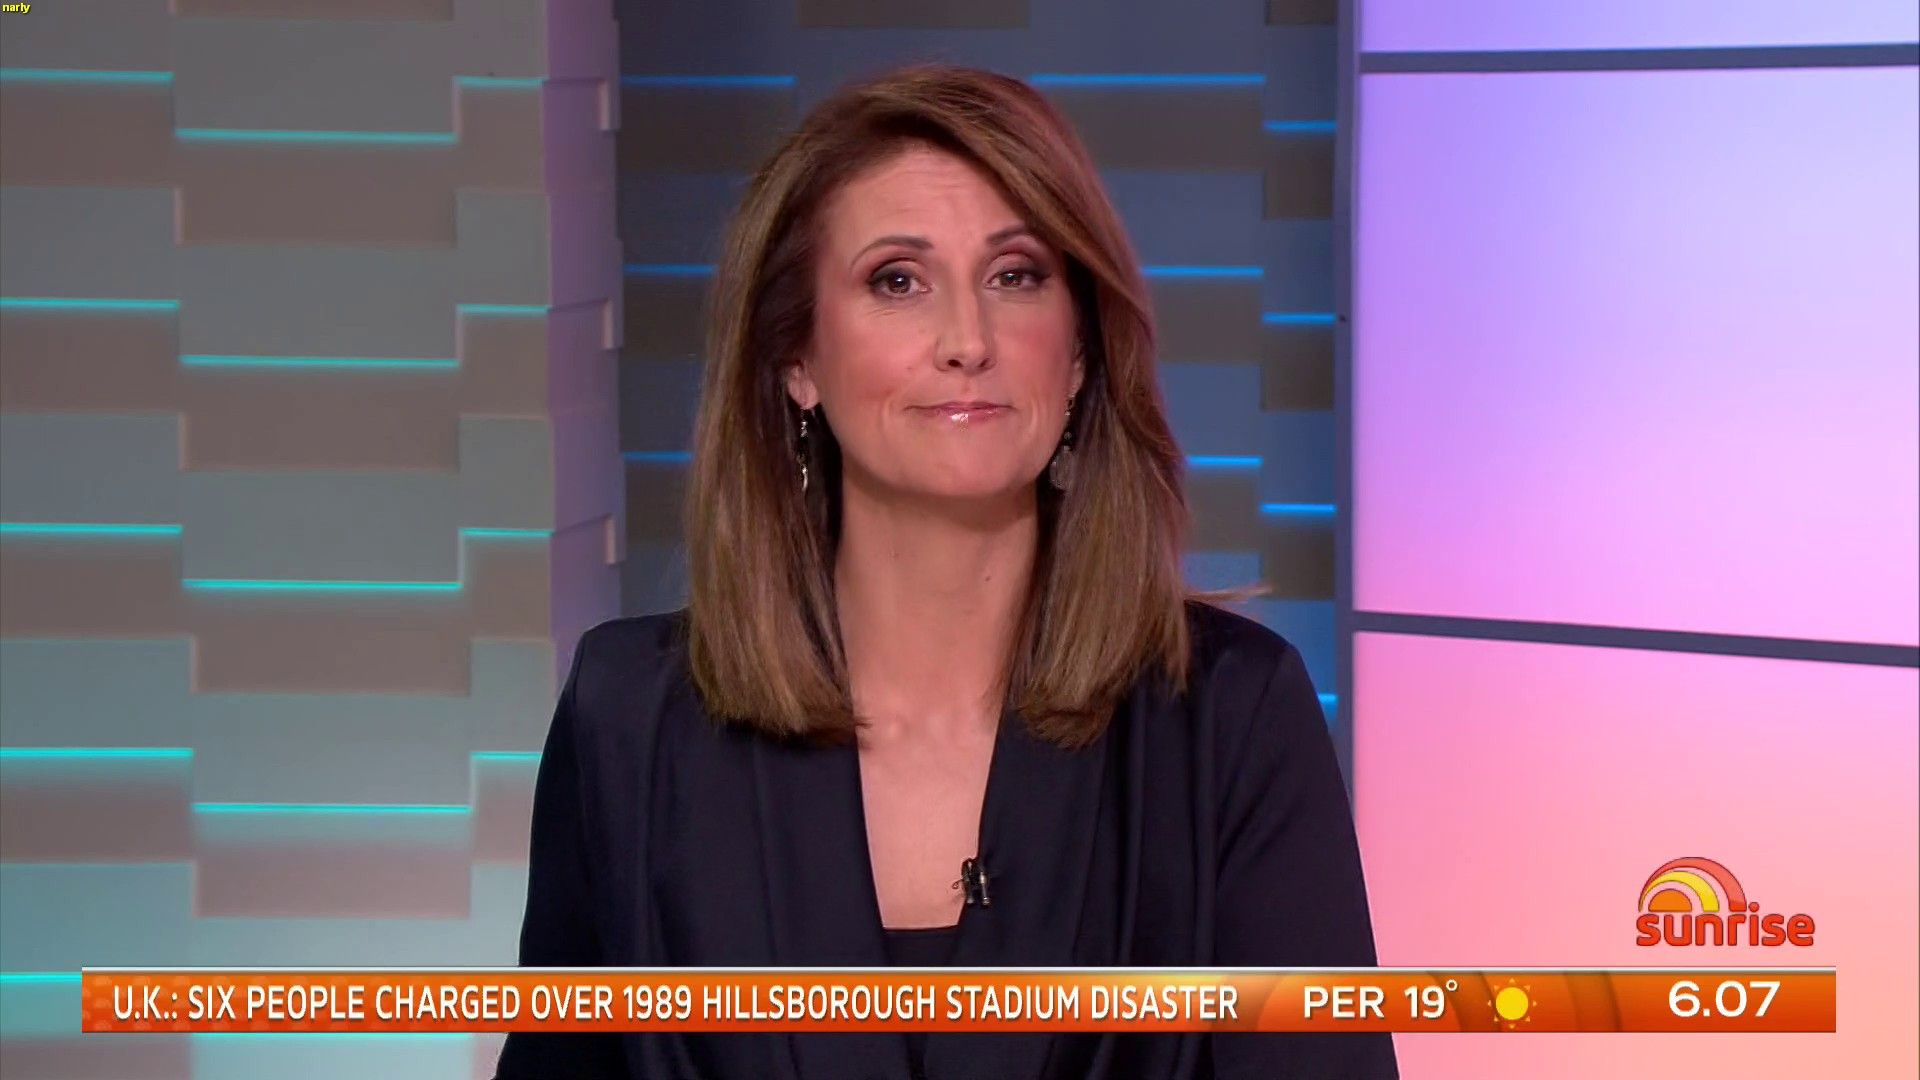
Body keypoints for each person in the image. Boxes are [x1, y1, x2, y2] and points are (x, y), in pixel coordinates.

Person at [495, 64, 1397, 1080]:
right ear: (797, 358)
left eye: (1016, 276)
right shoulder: (628, 721)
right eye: (898, 281)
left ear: (1079, 353)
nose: (967, 341)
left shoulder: (1229, 720)